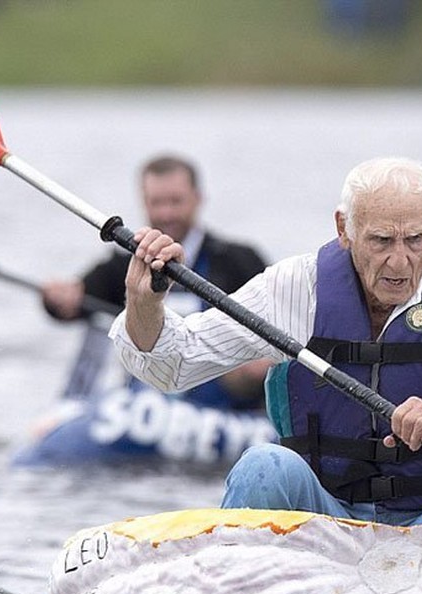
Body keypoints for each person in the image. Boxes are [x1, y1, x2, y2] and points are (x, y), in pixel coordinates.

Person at [113, 156, 422, 525]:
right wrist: (144, 302)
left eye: (415, 239)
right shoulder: (295, 288)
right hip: (323, 521)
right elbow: (177, 362)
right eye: (381, 240)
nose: (401, 260)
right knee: (265, 465)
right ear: (345, 229)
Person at [42, 154, 271, 410]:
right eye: (157, 203)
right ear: (144, 201)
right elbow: (76, 304)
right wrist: (57, 300)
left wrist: (259, 365)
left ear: (197, 199)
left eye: (175, 201)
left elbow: (275, 323)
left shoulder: (238, 261)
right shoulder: (124, 265)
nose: (166, 213)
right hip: (145, 409)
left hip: (225, 408)